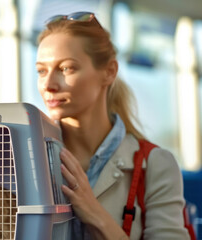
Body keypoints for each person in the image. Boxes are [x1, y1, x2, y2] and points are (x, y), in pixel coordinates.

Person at [36, 12, 189, 239]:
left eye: (66, 68)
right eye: (41, 71)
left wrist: (93, 212)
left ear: (109, 72)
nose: (48, 85)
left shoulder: (155, 164)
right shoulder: (27, 157)